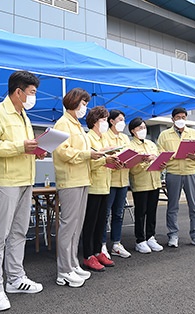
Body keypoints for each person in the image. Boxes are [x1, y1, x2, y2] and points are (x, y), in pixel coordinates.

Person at [0, 70, 45, 311]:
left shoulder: (24, 117)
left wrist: (36, 151)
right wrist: (21, 146)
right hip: (4, 181)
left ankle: (16, 278)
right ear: (18, 92)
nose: (34, 97)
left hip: (25, 180)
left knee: (19, 231)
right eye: (32, 92)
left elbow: (22, 148)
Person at [52, 88, 105, 287]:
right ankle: (63, 270)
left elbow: (80, 151)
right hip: (70, 179)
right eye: (83, 103)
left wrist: (96, 153)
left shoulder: (76, 125)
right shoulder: (63, 123)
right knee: (68, 226)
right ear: (74, 102)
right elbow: (63, 152)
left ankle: (72, 264)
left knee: (77, 226)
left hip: (82, 178)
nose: (85, 107)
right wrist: (88, 154)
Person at [157, 107, 195, 248]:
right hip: (173, 173)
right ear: (172, 119)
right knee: (172, 206)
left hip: (191, 172)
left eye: (183, 117)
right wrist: (174, 155)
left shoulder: (194, 133)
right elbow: (160, 152)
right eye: (178, 117)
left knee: (194, 206)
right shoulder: (164, 135)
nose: (181, 119)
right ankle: (173, 235)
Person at [81, 106, 119, 271]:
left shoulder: (105, 139)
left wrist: (116, 162)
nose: (105, 123)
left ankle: (98, 251)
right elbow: (88, 163)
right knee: (90, 222)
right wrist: (105, 160)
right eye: (103, 120)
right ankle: (88, 255)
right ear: (94, 121)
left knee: (101, 221)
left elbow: (107, 160)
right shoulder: (88, 138)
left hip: (105, 185)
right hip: (92, 186)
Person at [127, 118, 165, 254]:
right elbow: (131, 169)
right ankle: (140, 240)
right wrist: (144, 161)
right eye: (139, 128)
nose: (143, 130)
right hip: (140, 183)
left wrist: (161, 164)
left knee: (152, 212)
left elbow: (158, 163)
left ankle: (150, 237)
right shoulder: (130, 146)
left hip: (155, 182)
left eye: (144, 127)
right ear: (132, 131)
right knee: (140, 212)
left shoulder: (151, 144)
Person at [102, 109, 132, 259]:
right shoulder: (104, 136)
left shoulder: (125, 138)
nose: (122, 123)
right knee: (105, 214)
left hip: (123, 180)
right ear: (111, 121)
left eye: (123, 120)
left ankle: (116, 244)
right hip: (109, 180)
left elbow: (131, 154)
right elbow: (103, 157)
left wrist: (129, 162)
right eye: (120, 120)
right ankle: (101, 245)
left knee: (119, 214)